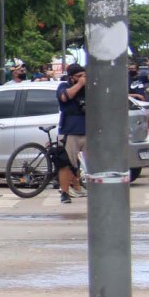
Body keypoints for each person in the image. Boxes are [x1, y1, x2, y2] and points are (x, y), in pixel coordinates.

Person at [56, 64, 87, 204]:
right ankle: (65, 192)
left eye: (84, 75)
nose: (82, 79)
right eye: (79, 76)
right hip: (70, 130)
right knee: (66, 163)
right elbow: (64, 97)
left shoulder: (89, 88)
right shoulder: (63, 86)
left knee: (93, 163)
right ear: (71, 77)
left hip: (88, 129)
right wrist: (80, 84)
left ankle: (82, 187)